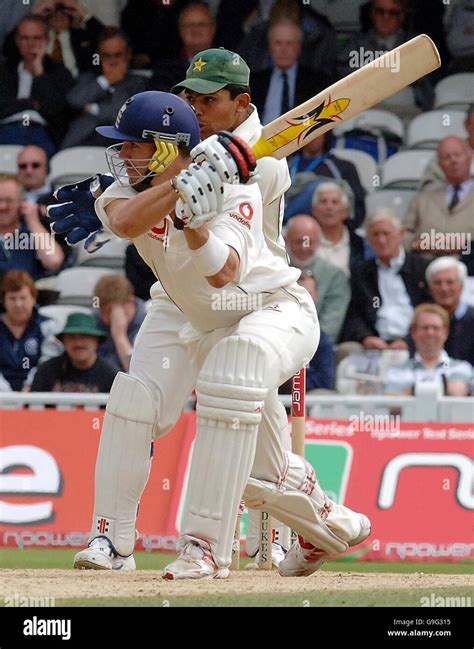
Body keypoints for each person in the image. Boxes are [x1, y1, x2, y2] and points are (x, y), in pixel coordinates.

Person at [49, 90, 370, 579]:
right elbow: (125, 219)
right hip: (184, 312)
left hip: (266, 311)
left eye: (131, 146)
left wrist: (197, 227)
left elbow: (226, 273)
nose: (121, 156)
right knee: (136, 404)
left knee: (231, 384)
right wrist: (179, 189)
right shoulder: (124, 190)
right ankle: (112, 542)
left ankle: (204, 550)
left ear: (162, 146)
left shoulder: (238, 188)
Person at [340, 209, 431, 350]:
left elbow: (431, 309)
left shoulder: (421, 268)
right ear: (368, 239)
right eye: (375, 235)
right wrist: (365, 337)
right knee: (347, 351)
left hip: (414, 341)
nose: (381, 240)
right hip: (375, 343)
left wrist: (409, 341)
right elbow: (354, 314)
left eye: (386, 233)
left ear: (400, 234)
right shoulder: (362, 272)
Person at [0, 14, 74, 156]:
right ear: (17, 41)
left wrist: (39, 73)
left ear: (47, 40)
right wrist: (31, 104)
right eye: (25, 38)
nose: (31, 44)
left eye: (36, 38)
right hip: (5, 130)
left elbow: (57, 112)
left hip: (42, 133)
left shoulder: (60, 73)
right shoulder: (5, 70)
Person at [62, 27, 147, 147]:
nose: (112, 61)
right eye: (107, 56)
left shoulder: (139, 83)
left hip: (119, 149)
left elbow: (122, 115)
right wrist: (105, 80)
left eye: (117, 55)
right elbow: (73, 101)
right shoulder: (88, 78)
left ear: (128, 55)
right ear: (99, 56)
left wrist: (92, 108)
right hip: (81, 144)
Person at [404, 136, 474, 263]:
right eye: (446, 157)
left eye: (457, 155)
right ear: (439, 165)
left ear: (470, 157)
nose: (453, 160)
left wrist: (464, 246)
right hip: (425, 268)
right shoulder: (423, 197)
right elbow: (402, 234)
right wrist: (418, 244)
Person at [249, 20, 330, 126]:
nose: (284, 50)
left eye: (289, 43)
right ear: (270, 47)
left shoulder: (317, 82)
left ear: (299, 47)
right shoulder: (254, 82)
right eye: (278, 43)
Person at [284, 214, 350, 343]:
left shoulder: (335, 275)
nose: (304, 247)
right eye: (298, 241)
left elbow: (330, 327)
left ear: (319, 241)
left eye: (310, 241)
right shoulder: (275, 271)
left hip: (318, 346)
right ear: (286, 241)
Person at [385, 304, 472, 396]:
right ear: (413, 332)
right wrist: (444, 387)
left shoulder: (462, 367)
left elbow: (457, 393)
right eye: (425, 328)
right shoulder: (396, 371)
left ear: (445, 332)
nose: (430, 333)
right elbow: (391, 402)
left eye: (436, 328)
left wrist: (410, 391)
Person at [285, 131, 366, 228]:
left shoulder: (344, 167)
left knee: (318, 187)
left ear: (326, 134)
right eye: (308, 131)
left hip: (329, 229)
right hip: (288, 230)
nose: (313, 136)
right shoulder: (284, 164)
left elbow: (358, 209)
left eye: (317, 131)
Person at [0, 270, 59, 391]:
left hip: (37, 395)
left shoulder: (48, 325)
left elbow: (48, 362)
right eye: (12, 298)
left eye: (23, 298)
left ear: (33, 298)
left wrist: (31, 386)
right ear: (3, 301)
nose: (18, 304)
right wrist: (6, 394)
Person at [30, 311, 118, 392]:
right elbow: (31, 406)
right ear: (63, 341)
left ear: (96, 341)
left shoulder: (112, 376)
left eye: (84, 337)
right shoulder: (46, 372)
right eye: (72, 337)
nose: (78, 343)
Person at [0, 174, 64, 280]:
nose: (2, 207)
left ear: (22, 202)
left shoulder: (33, 233)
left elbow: (54, 261)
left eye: (9, 200)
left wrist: (33, 222)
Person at [148, 1, 217, 93]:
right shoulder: (165, 69)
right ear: (180, 30)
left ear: (213, 28)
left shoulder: (232, 64)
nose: (195, 30)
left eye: (202, 24)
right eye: (189, 25)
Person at [309, 181, 372, 276]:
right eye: (323, 201)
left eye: (335, 202)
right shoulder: (303, 241)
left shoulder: (361, 244)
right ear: (314, 210)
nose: (329, 207)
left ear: (346, 211)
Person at [425, 257, 474, 366]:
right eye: (437, 283)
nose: (444, 288)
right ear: (429, 288)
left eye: (450, 282)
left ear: (461, 286)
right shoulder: (423, 321)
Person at [93, 274, 147, 371]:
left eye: (110, 311)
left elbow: (138, 375)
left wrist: (120, 337)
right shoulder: (95, 320)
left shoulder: (148, 323)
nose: (105, 318)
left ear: (130, 302)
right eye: (102, 312)